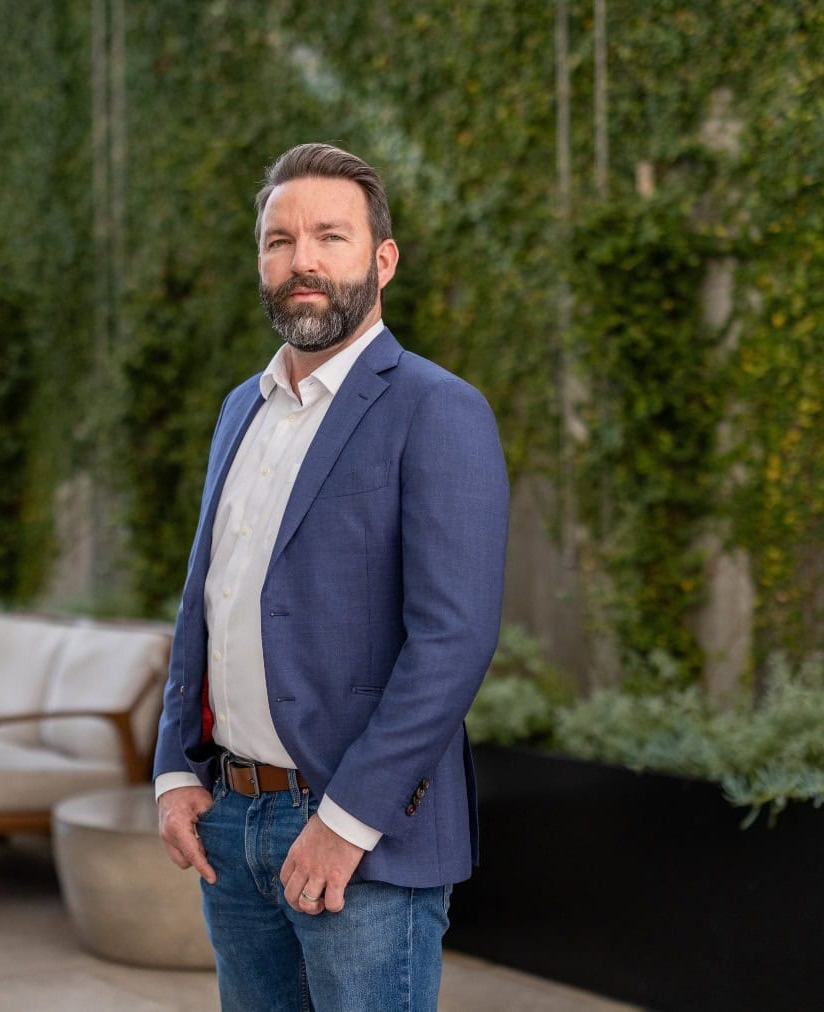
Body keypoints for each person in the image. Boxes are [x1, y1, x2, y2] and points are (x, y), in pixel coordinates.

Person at [154, 142, 509, 1012]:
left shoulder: (437, 409)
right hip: (230, 822)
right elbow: (208, 596)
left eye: (330, 237)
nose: (302, 259)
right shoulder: (242, 408)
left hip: (360, 838)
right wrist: (174, 769)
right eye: (280, 241)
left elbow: (451, 642)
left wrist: (344, 825)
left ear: (381, 260)